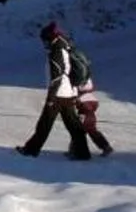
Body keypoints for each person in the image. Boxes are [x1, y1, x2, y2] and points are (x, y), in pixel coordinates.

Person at [16, 21, 92, 160]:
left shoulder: (56, 51)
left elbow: (56, 76)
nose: (44, 43)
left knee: (45, 124)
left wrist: (51, 97)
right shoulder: (65, 47)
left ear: (50, 38)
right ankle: (83, 153)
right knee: (74, 125)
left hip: (58, 94)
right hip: (68, 93)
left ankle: (30, 150)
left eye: (44, 40)